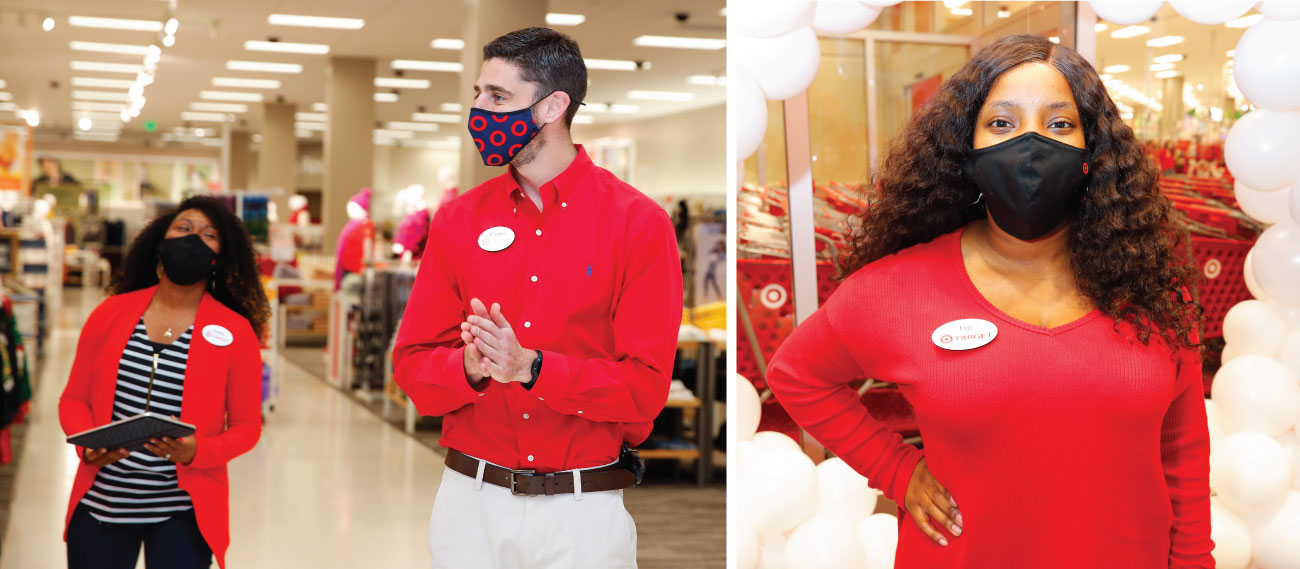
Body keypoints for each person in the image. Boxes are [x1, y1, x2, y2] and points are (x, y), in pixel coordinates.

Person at [766, 34, 1210, 568]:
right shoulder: (898, 288)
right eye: (1002, 123)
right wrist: (896, 470)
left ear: (1092, 152)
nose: (1031, 144)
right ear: (968, 155)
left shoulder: (1152, 290)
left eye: (1059, 123)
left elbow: (1182, 454)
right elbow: (796, 373)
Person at [392, 27, 682, 569]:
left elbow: (644, 388)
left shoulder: (638, 224)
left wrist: (534, 369)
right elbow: (410, 366)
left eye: (498, 97)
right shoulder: (457, 222)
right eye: (478, 94)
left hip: (584, 514)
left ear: (553, 106)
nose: (479, 109)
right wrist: (470, 368)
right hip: (469, 504)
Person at [59, 195, 269, 569]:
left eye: (209, 235)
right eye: (183, 228)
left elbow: (247, 426)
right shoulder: (111, 313)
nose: (193, 239)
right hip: (103, 502)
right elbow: (74, 399)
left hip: (184, 511)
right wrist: (87, 444)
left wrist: (199, 451)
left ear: (221, 256)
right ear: (160, 242)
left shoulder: (235, 332)